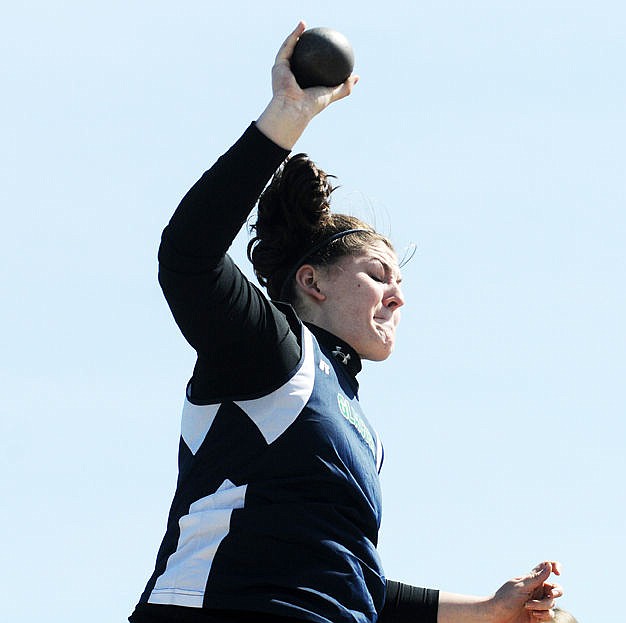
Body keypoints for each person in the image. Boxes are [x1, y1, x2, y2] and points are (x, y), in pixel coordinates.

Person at [129, 21, 563, 623]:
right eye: (379, 275)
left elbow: (353, 585)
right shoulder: (271, 353)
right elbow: (186, 258)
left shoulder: (357, 425)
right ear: (312, 281)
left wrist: (491, 609)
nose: (397, 297)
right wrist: (285, 115)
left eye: (401, 285)